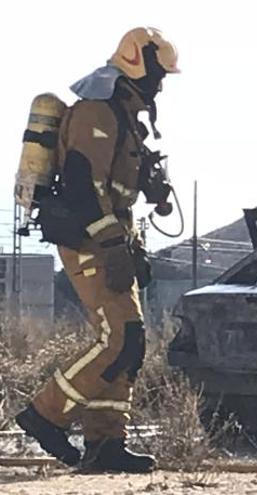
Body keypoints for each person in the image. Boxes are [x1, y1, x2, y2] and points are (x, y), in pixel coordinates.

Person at [14, 27, 180, 473]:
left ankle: (105, 443)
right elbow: (85, 186)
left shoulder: (123, 114)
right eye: (157, 74)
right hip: (90, 240)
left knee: (131, 344)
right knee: (120, 339)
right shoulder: (96, 112)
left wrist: (147, 199)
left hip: (112, 238)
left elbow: (116, 188)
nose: (160, 84)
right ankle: (44, 415)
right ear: (137, 65)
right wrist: (111, 245)